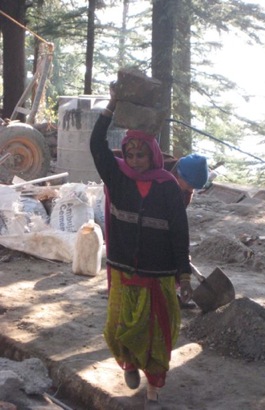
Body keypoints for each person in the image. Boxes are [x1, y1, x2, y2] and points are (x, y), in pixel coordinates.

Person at [90, 88, 193, 409]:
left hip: (158, 274)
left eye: (141, 155)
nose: (134, 160)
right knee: (119, 327)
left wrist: (184, 274)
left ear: (153, 155)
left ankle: (153, 389)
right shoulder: (117, 177)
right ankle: (129, 364)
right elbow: (96, 145)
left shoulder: (167, 188)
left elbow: (180, 233)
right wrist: (110, 106)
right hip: (123, 270)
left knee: (157, 334)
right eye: (130, 154)